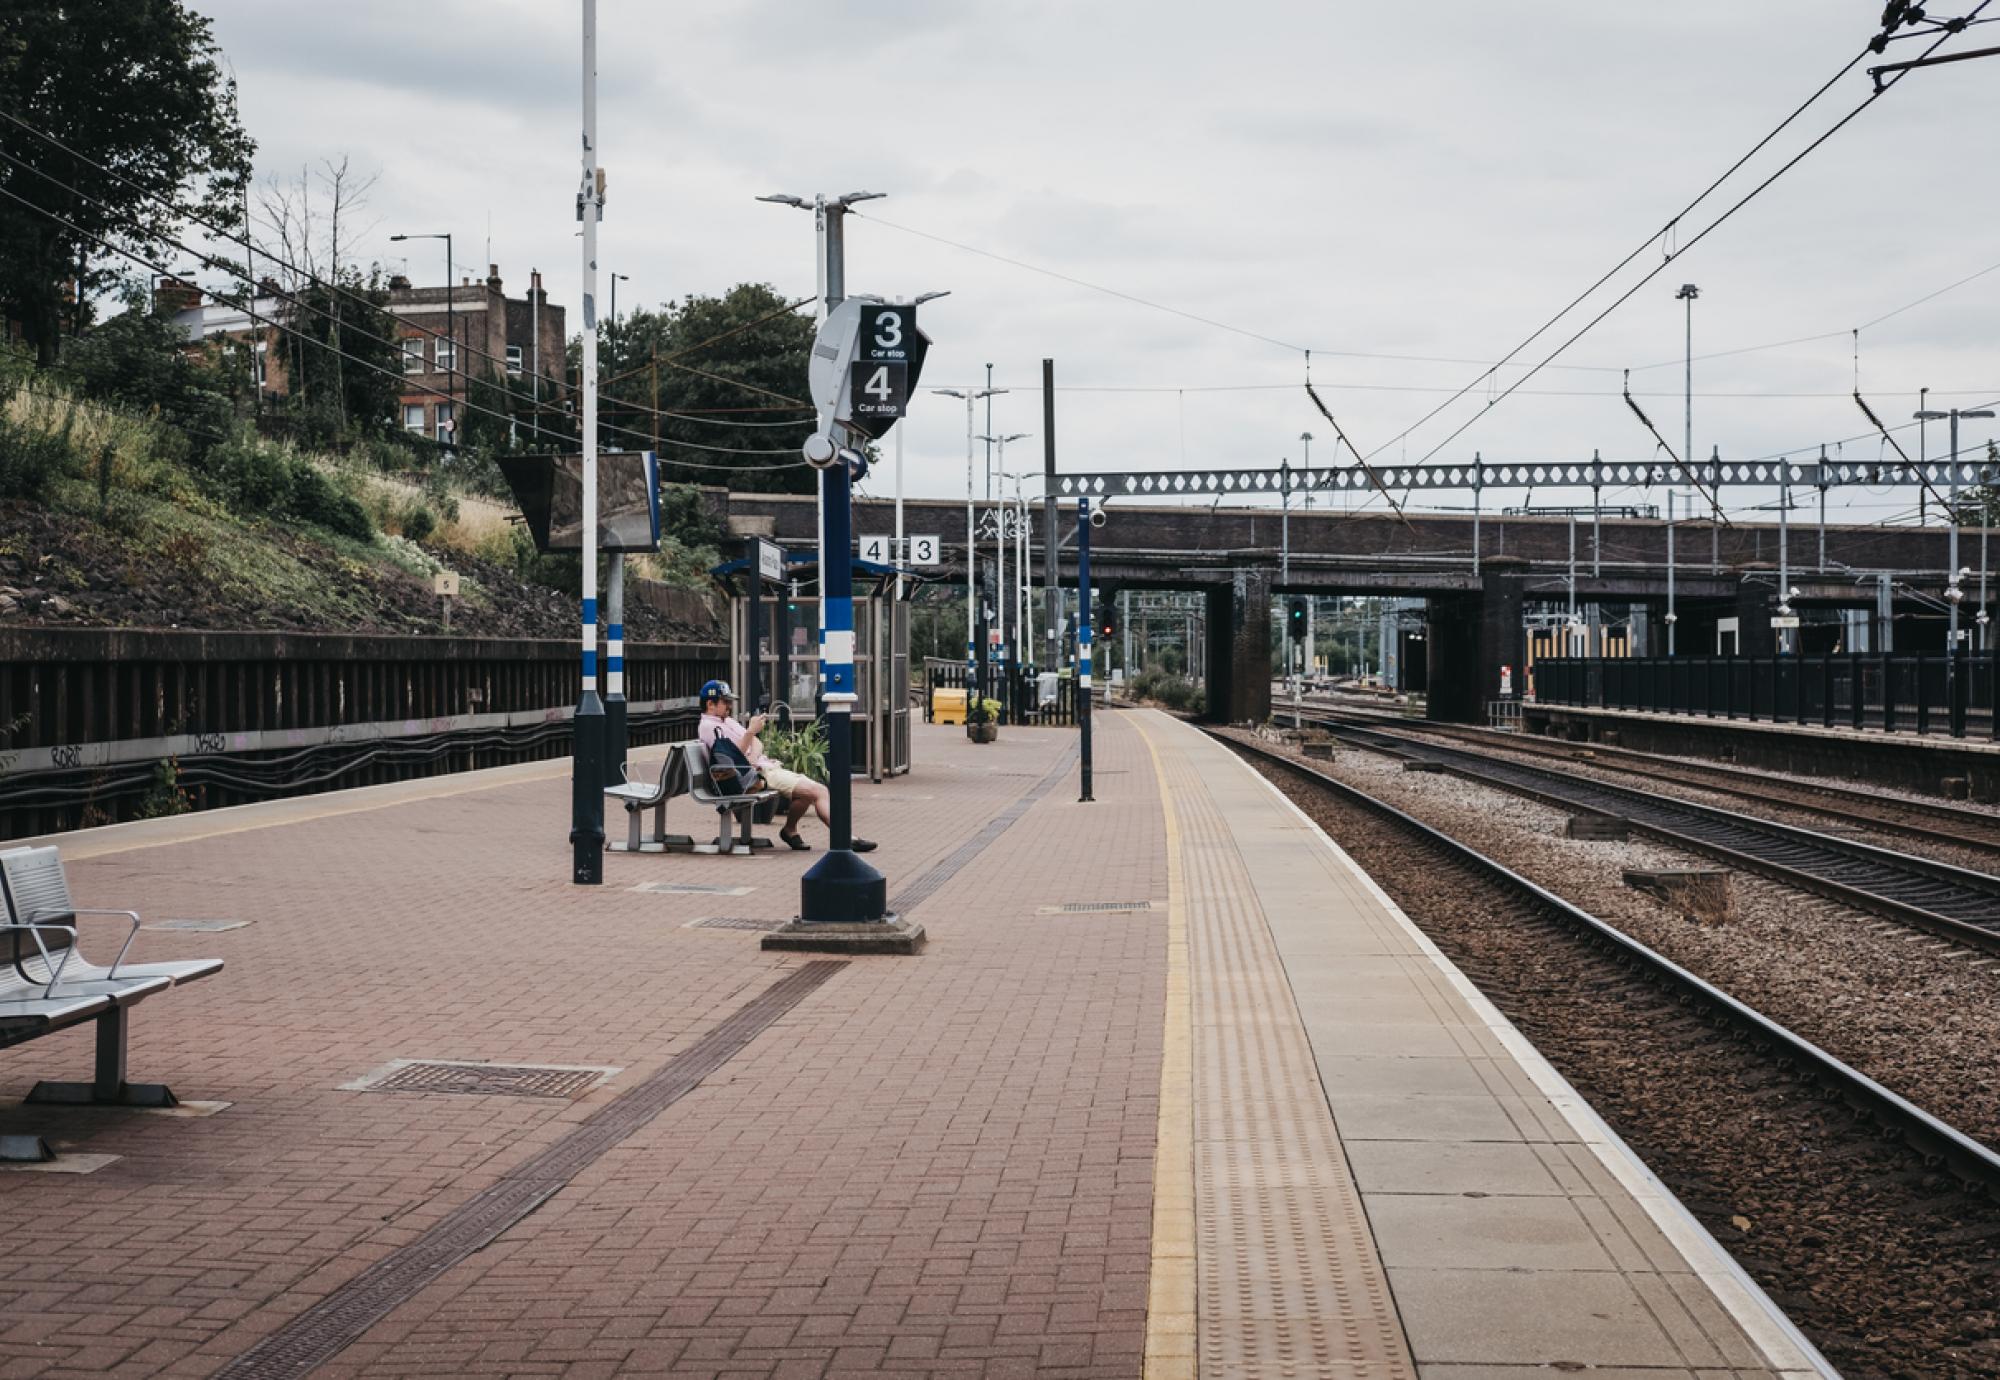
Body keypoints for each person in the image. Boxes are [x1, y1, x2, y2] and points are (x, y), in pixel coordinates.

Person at [696, 680, 875, 853]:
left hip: (762, 768)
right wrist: (750, 733)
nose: (729, 706)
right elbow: (731, 759)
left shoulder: (726, 722)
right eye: (725, 702)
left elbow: (757, 743)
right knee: (819, 791)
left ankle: (790, 830)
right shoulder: (709, 727)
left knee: (806, 794)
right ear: (710, 704)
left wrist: (751, 753)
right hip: (756, 775)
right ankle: (845, 838)